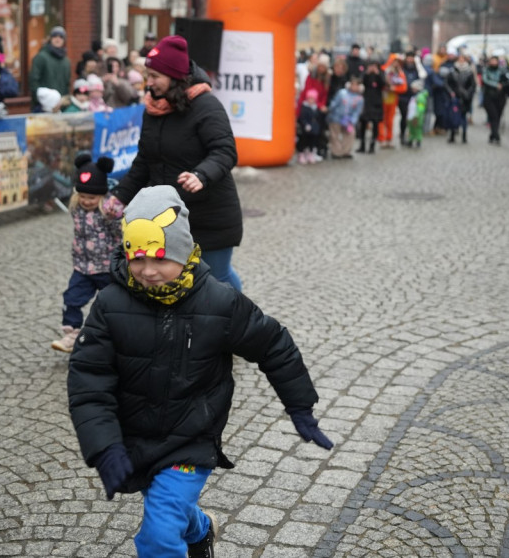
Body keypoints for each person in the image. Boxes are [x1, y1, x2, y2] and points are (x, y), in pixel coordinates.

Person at [67, 185, 332, 557]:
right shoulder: (110, 304)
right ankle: (201, 528)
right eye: (137, 259)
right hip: (137, 439)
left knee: (159, 534)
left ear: (183, 250)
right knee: (171, 511)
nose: (147, 271)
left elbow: (273, 344)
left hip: (192, 439)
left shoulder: (219, 301)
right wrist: (105, 446)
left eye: (160, 258)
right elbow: (88, 379)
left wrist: (300, 406)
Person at [110, 35, 245, 292]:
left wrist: (201, 175)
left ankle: (241, 321)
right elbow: (144, 161)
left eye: (155, 76)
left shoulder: (206, 105)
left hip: (209, 214)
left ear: (174, 76)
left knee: (217, 278)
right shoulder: (154, 108)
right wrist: (119, 196)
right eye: (147, 75)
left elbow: (225, 151)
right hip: (168, 216)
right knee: (175, 282)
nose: (149, 83)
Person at [52, 153, 123, 353]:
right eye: (82, 196)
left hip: (106, 268)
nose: (86, 201)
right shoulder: (77, 209)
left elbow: (120, 234)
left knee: (111, 304)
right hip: (82, 268)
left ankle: (115, 336)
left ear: (101, 195)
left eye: (91, 197)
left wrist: (115, 217)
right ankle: (72, 334)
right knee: (71, 299)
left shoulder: (109, 212)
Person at [29, 25, 72, 111]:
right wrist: (41, 101)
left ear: (64, 40)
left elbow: (67, 85)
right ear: (50, 39)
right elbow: (33, 81)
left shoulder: (66, 61)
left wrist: (64, 102)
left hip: (60, 107)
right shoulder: (41, 57)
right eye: (55, 36)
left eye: (61, 37)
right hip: (42, 107)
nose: (58, 39)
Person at [327, 74, 364, 159]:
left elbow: (357, 112)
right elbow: (335, 104)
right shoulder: (342, 93)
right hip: (336, 117)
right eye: (353, 84)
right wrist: (330, 111)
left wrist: (352, 121)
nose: (354, 86)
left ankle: (345, 151)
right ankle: (336, 152)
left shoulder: (359, 98)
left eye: (356, 85)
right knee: (334, 135)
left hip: (348, 120)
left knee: (350, 134)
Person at [480, 54, 509, 144]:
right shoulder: (486, 70)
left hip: (500, 97)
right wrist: (496, 85)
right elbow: (485, 80)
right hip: (489, 96)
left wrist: (503, 85)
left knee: (498, 116)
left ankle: (493, 135)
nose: (493, 62)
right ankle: (496, 135)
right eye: (492, 61)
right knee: (493, 116)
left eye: (495, 60)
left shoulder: (503, 70)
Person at [446, 51, 475, 144]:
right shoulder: (452, 71)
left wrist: (467, 93)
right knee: (453, 117)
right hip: (455, 98)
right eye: (460, 59)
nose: (461, 61)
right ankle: (453, 135)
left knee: (463, 117)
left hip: (465, 98)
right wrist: (451, 92)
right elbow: (447, 83)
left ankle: (464, 135)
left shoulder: (469, 72)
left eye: (463, 59)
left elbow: (472, 85)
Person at [358, 60, 385, 153]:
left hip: (376, 102)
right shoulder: (365, 74)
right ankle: (362, 145)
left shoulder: (380, 74)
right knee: (363, 124)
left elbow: (383, 84)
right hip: (366, 101)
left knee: (375, 124)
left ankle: (372, 145)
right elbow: (361, 82)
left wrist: (377, 74)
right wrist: (367, 73)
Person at [296, 89, 324, 164]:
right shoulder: (305, 108)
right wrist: (305, 124)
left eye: (313, 99)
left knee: (312, 142)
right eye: (310, 98)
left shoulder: (316, 108)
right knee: (304, 141)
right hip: (306, 129)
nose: (311, 100)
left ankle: (310, 153)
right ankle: (302, 154)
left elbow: (318, 118)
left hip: (314, 129)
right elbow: (302, 118)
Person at [406, 78, 428, 148]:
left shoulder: (420, 97)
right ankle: (411, 140)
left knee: (417, 129)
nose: (412, 90)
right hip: (411, 116)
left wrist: (417, 116)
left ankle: (418, 141)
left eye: (414, 88)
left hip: (417, 117)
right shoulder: (414, 96)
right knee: (412, 129)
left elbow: (421, 108)